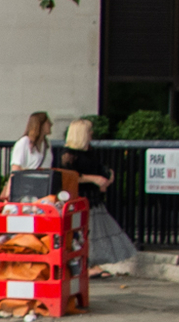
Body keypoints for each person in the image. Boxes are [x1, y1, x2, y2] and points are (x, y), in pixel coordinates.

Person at [59, 117, 138, 273]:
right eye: (89, 131)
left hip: (94, 198)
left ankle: (89, 264)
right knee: (86, 233)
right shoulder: (69, 155)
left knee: (94, 233)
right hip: (80, 198)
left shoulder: (90, 152)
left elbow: (99, 168)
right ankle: (84, 265)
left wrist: (107, 177)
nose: (92, 133)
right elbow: (69, 177)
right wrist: (94, 179)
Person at [9, 111, 54, 184]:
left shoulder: (46, 144)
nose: (51, 125)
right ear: (40, 125)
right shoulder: (24, 142)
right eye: (48, 122)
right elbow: (16, 169)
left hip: (42, 184)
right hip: (26, 185)